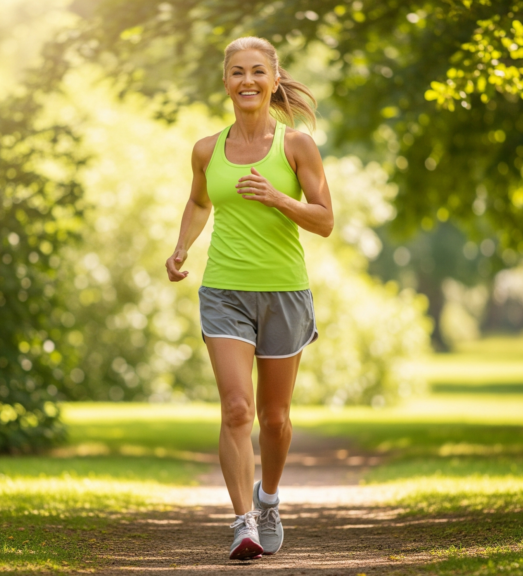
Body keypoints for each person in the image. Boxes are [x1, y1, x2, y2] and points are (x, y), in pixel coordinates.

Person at [165, 36, 334, 561]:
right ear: (225, 82)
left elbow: (325, 220)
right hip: (224, 292)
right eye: (237, 72)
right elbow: (198, 203)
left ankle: (268, 499)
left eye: (258, 71)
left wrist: (278, 197)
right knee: (236, 409)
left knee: (275, 419)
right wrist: (179, 246)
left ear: (274, 79)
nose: (247, 81)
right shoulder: (207, 150)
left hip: (285, 293)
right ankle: (243, 524)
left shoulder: (297, 146)